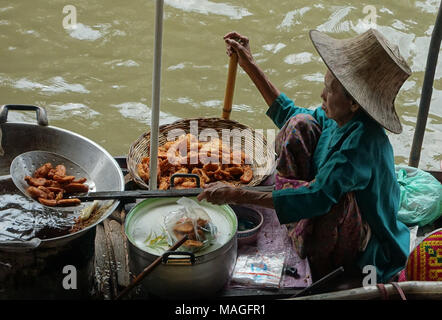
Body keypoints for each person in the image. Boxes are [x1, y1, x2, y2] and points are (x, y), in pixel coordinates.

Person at [197, 29, 411, 283]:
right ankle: (295, 224)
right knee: (300, 123)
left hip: (370, 252)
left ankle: (321, 266)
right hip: (319, 197)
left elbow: (319, 196)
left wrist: (236, 193)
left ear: (354, 103)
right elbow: (289, 114)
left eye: (329, 90)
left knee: (333, 202)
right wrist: (249, 64)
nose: (322, 94)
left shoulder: (361, 143)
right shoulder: (340, 118)